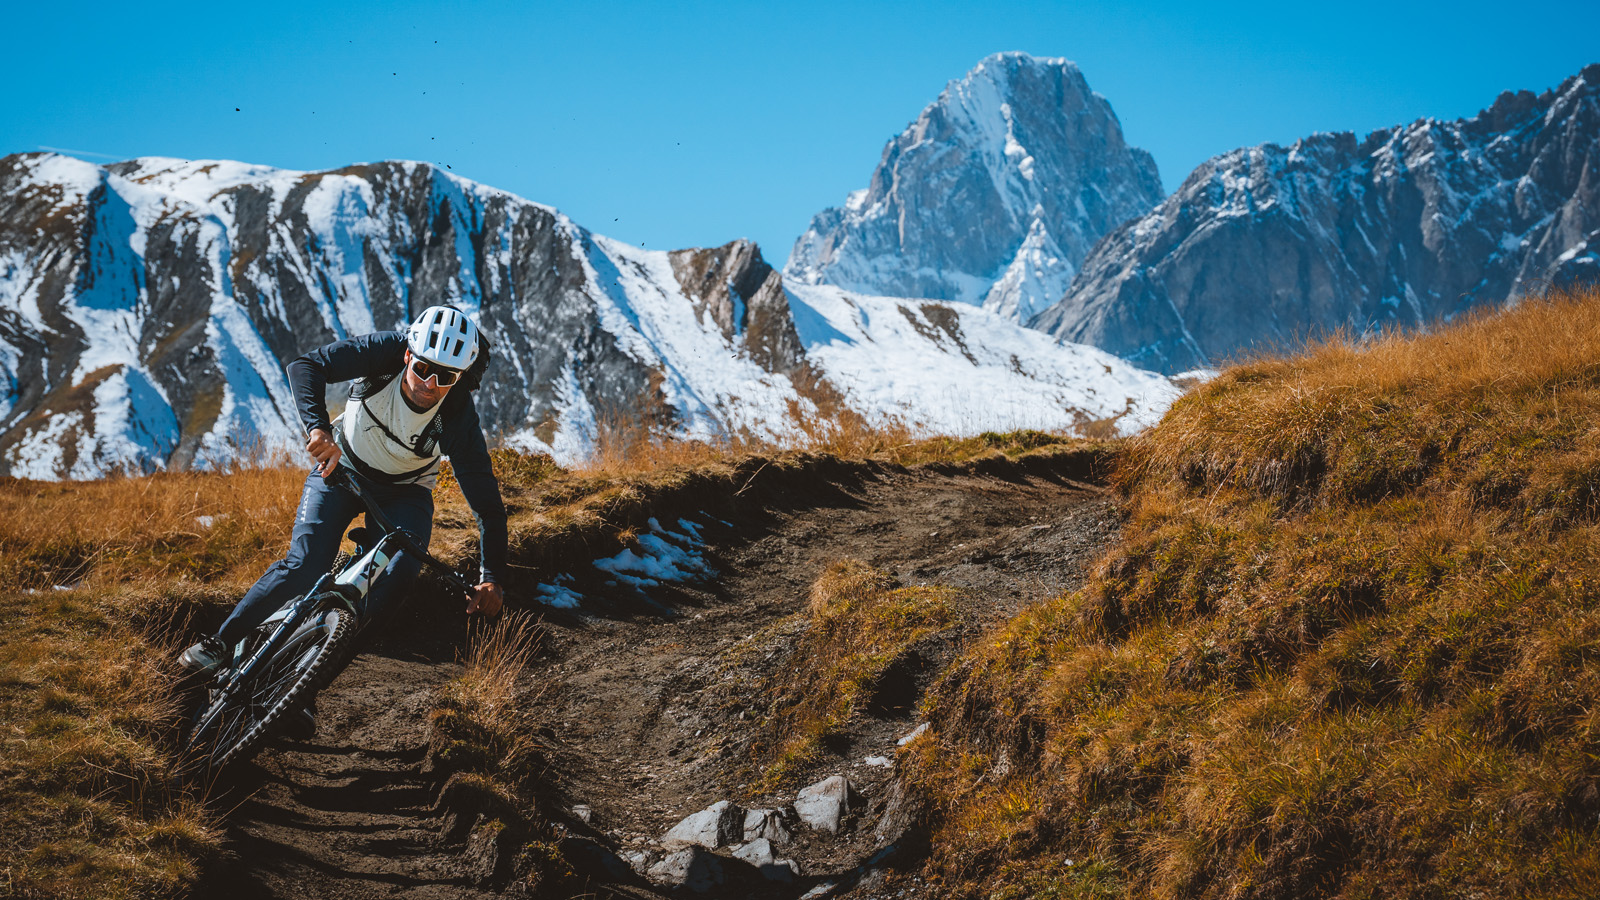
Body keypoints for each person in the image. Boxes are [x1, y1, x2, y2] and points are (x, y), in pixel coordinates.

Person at [177, 306, 509, 732]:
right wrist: (319, 430)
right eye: (424, 367)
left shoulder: (458, 415)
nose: (430, 383)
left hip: (405, 494)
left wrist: (492, 576)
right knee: (307, 563)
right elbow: (306, 365)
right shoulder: (385, 352)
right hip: (340, 468)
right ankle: (219, 642)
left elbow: (486, 501)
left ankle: (302, 693)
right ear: (409, 355)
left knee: (394, 585)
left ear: (460, 378)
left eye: (445, 376)